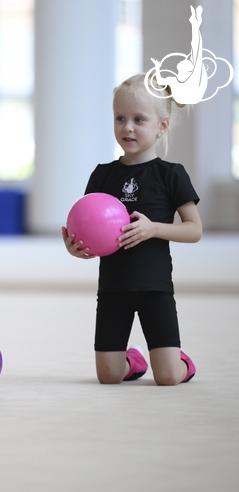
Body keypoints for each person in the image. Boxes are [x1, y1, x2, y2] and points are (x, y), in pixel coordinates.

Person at [61, 74, 202, 386]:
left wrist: (154, 229)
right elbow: (87, 229)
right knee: (109, 376)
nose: (127, 127)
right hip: (113, 288)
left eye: (139, 119)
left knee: (167, 377)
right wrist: (77, 247)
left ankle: (183, 363)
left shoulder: (171, 175)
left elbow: (194, 230)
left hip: (155, 289)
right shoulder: (102, 176)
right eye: (120, 118)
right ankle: (134, 361)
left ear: (161, 126)